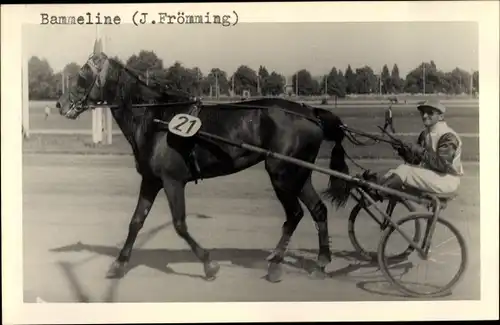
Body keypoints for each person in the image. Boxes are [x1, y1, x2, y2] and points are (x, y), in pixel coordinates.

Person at [362, 100, 464, 199]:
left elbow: (442, 166)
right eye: (423, 112)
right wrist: (402, 150)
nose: (424, 116)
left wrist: (419, 150)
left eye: (430, 113)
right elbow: (416, 161)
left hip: (447, 180)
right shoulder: (425, 134)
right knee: (395, 171)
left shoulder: (448, 136)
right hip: (434, 176)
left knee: (405, 171)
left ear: (441, 116)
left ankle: (376, 194)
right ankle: (370, 184)